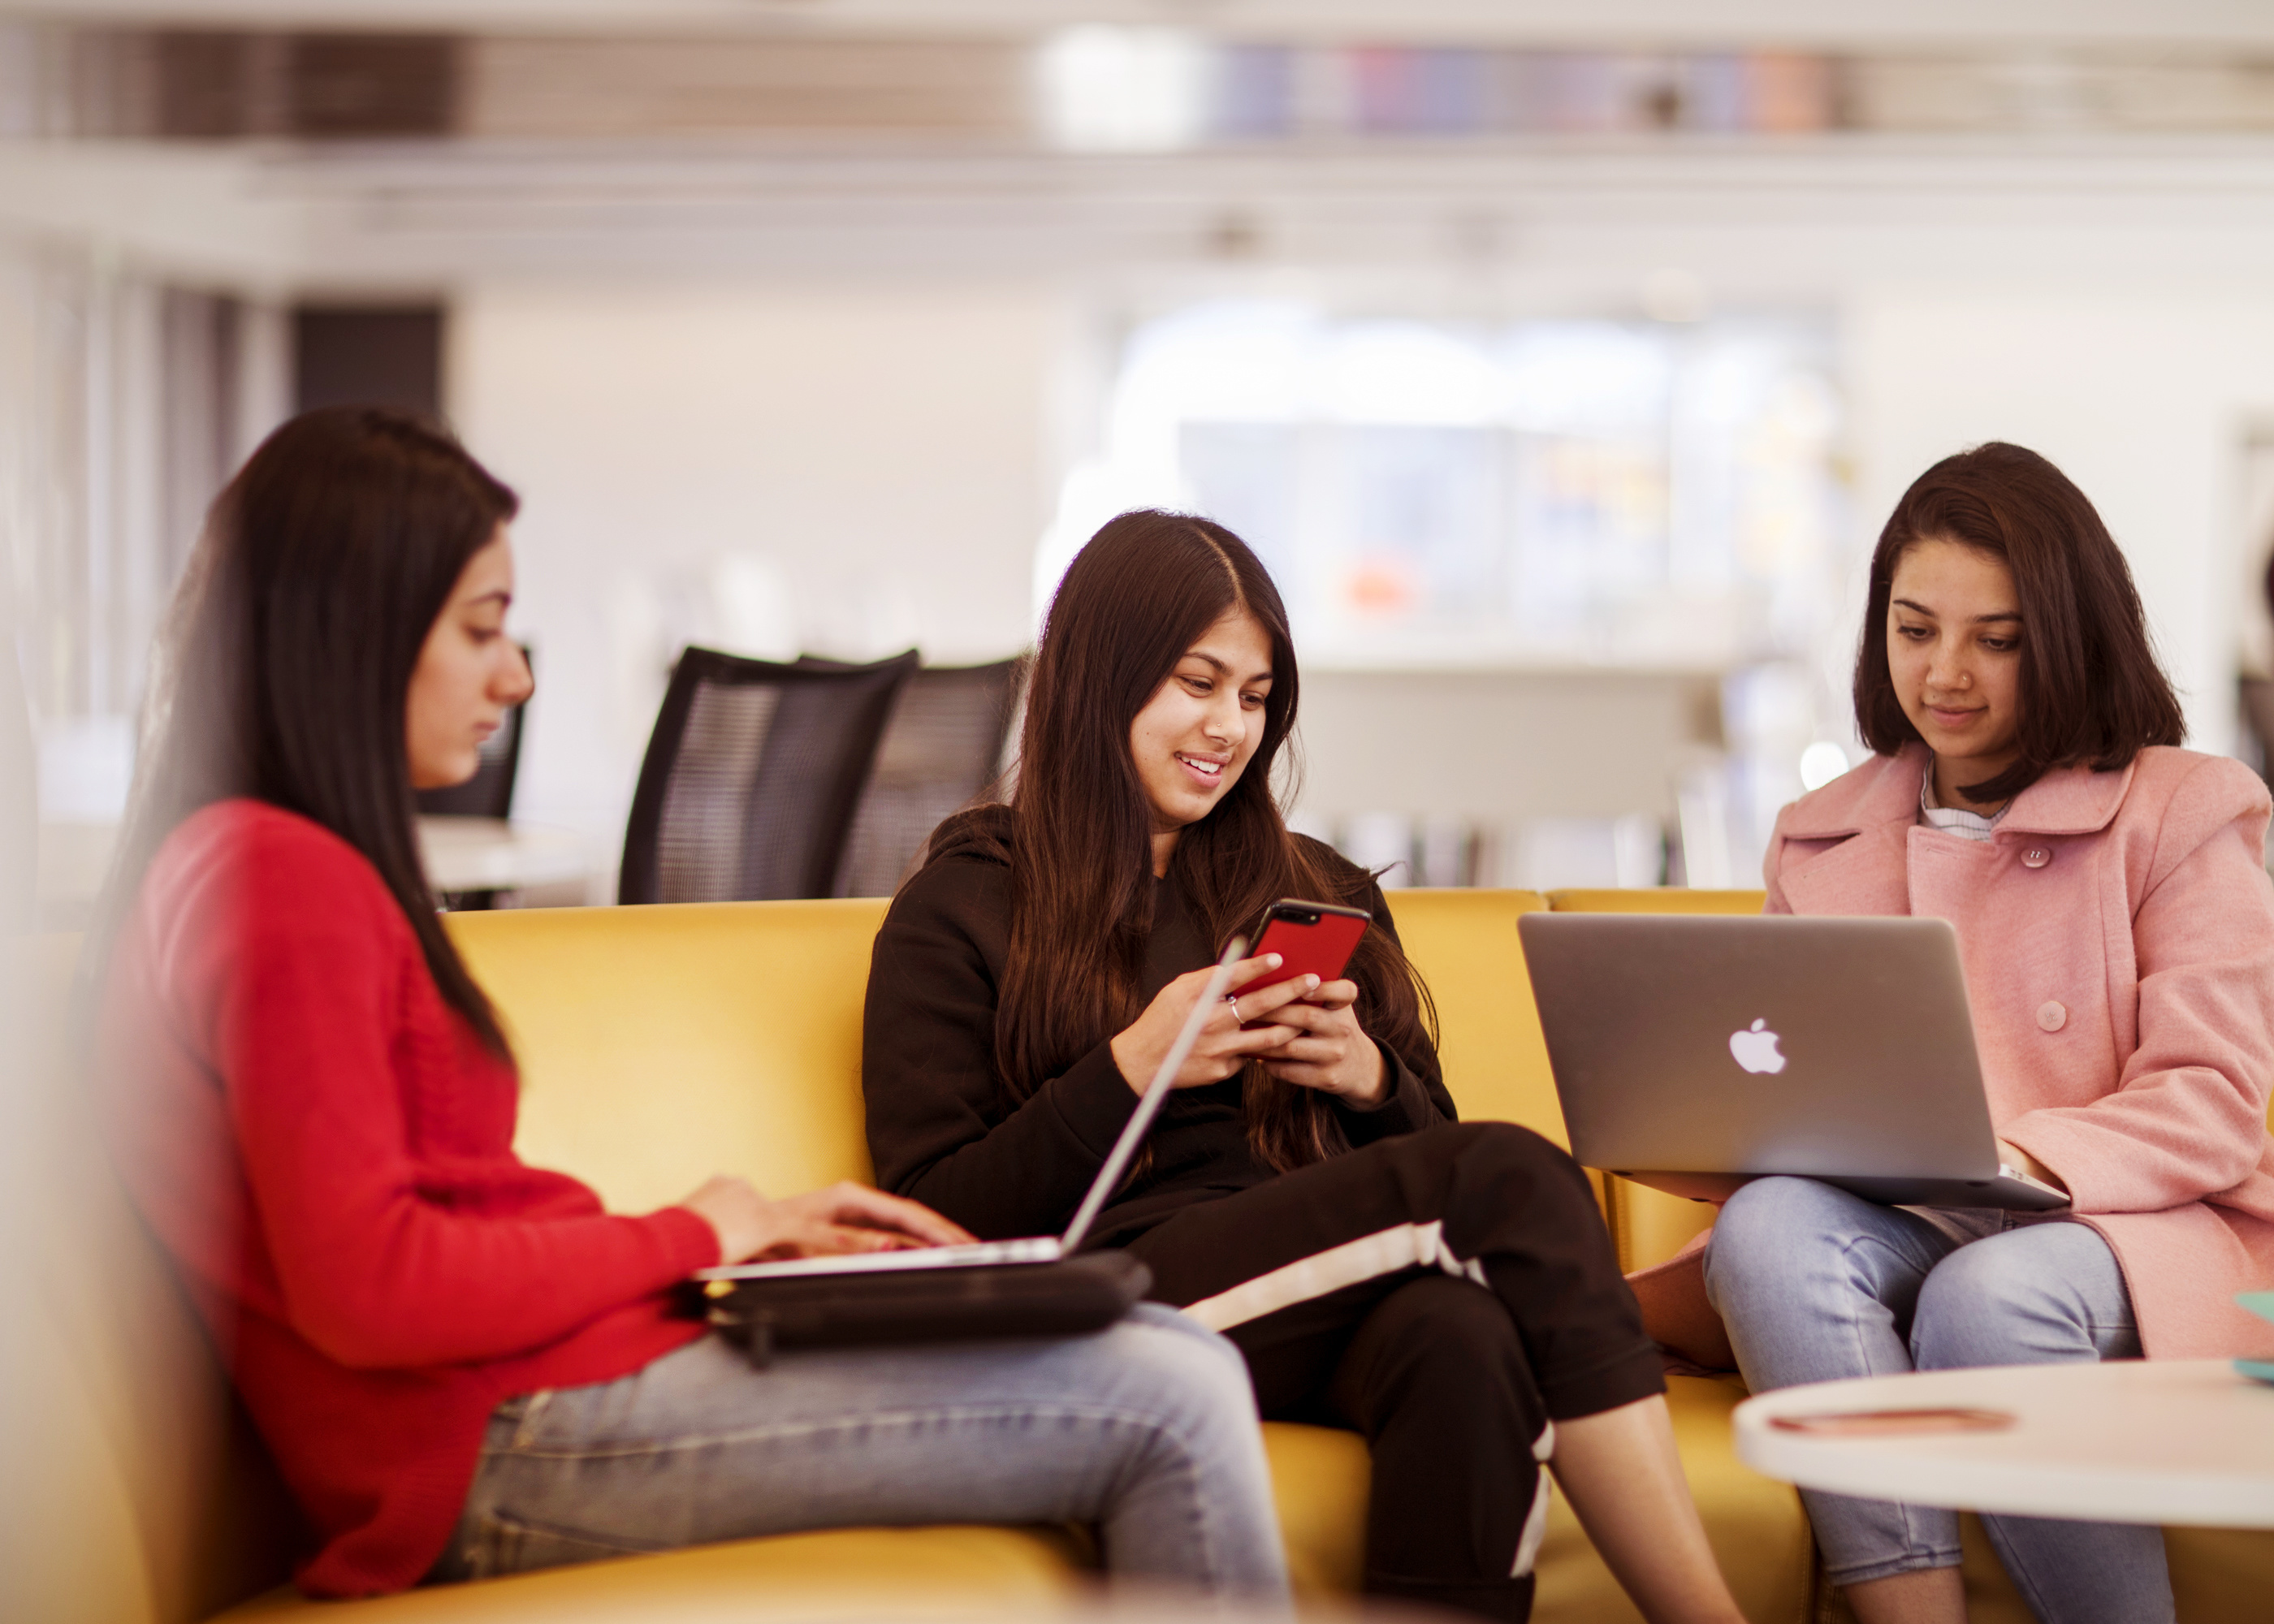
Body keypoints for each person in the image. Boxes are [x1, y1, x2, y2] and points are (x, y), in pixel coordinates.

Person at [87, 410, 1290, 1603]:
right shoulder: (274, 884)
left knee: (1167, 1350)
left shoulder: (263, 866)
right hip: (496, 1443)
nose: (516, 675)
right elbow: (372, 1289)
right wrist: (696, 1235)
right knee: (1172, 1399)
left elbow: (431, 1232)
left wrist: (742, 1237)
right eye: (481, 629)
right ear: (346, 633)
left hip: (540, 1391)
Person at [862, 510, 1748, 1624]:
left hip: (1307, 1289)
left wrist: (1369, 1080)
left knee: (1463, 1340)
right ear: (1101, 675)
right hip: (1105, 1299)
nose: (1228, 727)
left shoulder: (1315, 888)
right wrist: (1132, 1068)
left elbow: (1436, 1163)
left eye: (1255, 695)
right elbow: (927, 1220)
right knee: (1516, 1179)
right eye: (1197, 682)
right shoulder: (963, 903)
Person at [1704, 442, 2274, 1624]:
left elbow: (2213, 1101)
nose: (1945, 674)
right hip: (1915, 1212)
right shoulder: (1821, 833)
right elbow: (1783, 1077)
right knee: (1765, 1227)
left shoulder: (2186, 806)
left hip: (2132, 1226)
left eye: (1996, 639)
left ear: (2068, 636)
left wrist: (2020, 1159)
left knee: (1990, 1295)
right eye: (1914, 630)